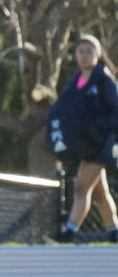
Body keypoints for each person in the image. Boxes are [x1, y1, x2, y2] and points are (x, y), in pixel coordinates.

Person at [48, 34, 118, 243]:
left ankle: (70, 232)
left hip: (102, 143)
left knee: (81, 187)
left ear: (98, 55)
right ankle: (115, 230)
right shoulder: (73, 82)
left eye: (90, 51)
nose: (85, 56)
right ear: (76, 55)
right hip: (85, 145)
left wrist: (96, 126)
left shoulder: (105, 80)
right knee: (99, 191)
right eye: (81, 51)